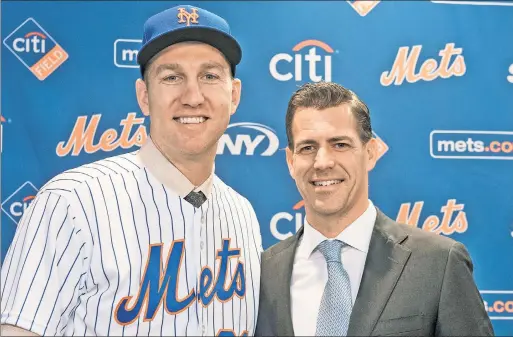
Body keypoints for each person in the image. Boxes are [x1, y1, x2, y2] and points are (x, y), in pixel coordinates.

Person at [1, 5, 263, 336]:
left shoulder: (243, 215)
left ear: (234, 95)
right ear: (144, 96)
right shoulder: (71, 203)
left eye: (209, 76)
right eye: (172, 77)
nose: (193, 96)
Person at [254, 82, 493, 337]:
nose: (322, 162)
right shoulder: (262, 272)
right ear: (291, 161)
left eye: (340, 144)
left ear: (371, 153)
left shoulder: (439, 263)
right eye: (308, 148)